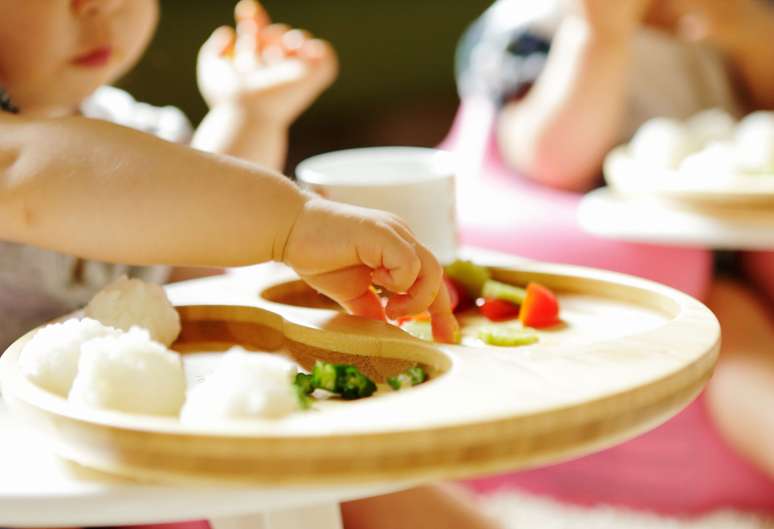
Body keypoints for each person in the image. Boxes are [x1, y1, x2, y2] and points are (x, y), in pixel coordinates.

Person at [447, 0, 774, 524]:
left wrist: (749, 37)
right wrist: (601, 32)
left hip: (738, 228)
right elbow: (549, 159)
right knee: (731, 331)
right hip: (616, 252)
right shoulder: (537, 27)